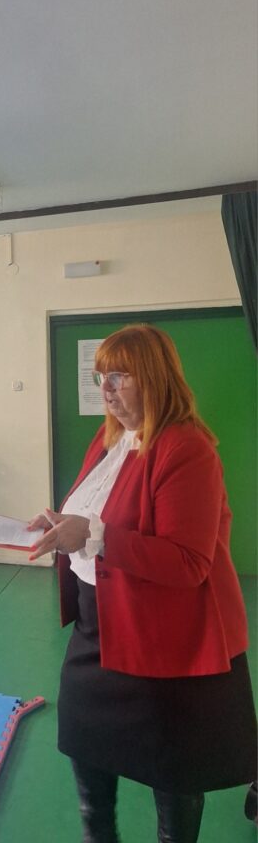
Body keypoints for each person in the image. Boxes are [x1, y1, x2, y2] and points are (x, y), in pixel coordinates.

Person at [28, 324, 256, 843]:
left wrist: (96, 535)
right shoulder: (107, 439)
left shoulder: (186, 448)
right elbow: (93, 512)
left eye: (119, 376)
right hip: (95, 631)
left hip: (161, 640)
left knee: (173, 779)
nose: (105, 389)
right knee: (89, 779)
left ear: (154, 377)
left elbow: (189, 562)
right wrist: (62, 524)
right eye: (100, 377)